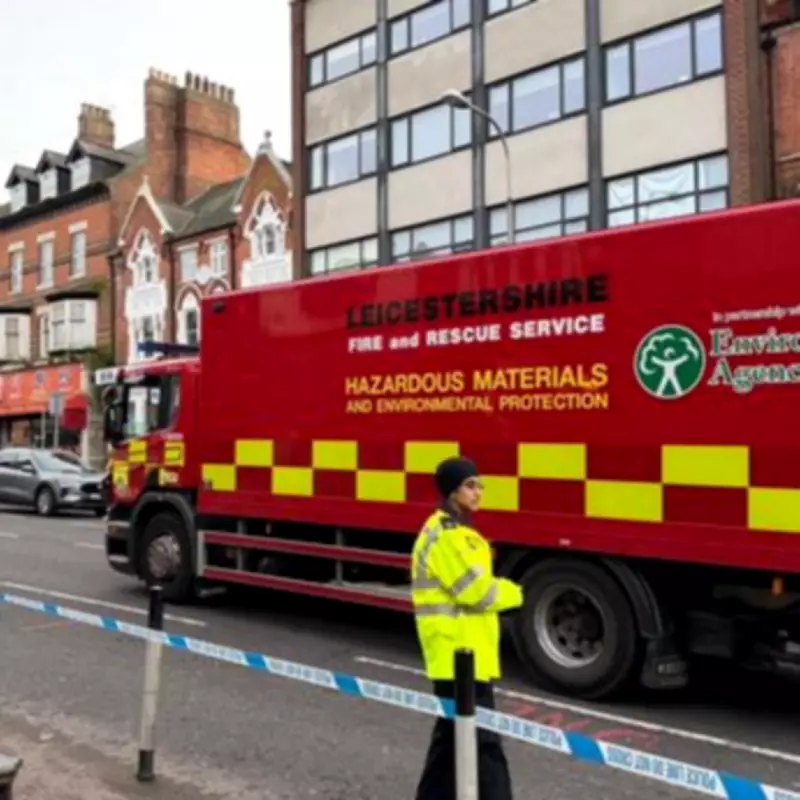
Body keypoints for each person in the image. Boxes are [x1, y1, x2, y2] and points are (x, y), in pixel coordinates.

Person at [411, 456, 524, 800]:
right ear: (451, 491)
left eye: (479, 485)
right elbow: (477, 592)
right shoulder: (448, 536)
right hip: (460, 656)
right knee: (484, 743)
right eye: (469, 485)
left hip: (461, 652)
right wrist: (517, 593)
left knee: (451, 742)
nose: (478, 492)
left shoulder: (455, 532)